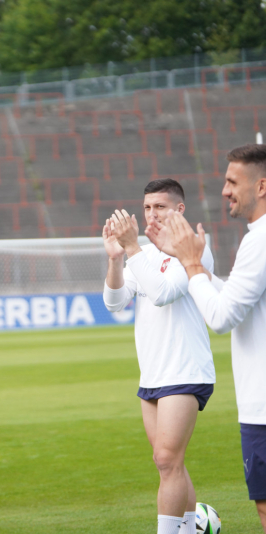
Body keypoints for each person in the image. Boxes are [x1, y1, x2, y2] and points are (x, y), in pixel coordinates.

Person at [152, 144, 266, 532]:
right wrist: (194, 266)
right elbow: (233, 298)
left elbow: (220, 317)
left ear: (261, 186)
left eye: (233, 181)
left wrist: (190, 263)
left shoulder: (259, 240)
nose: (225, 190)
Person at [102, 179, 215, 534]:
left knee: (167, 459)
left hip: (185, 369)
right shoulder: (146, 254)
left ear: (180, 209)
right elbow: (115, 303)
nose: (152, 214)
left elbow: (163, 293)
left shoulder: (195, 249)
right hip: (152, 374)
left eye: (160, 207)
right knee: (168, 463)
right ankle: (194, 527)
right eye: (147, 208)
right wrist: (116, 259)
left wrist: (133, 248)